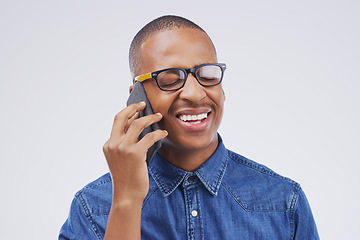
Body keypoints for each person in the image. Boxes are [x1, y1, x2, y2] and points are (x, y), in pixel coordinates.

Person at [59, 15, 319, 239]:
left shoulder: (284, 202)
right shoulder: (92, 209)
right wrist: (126, 201)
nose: (195, 94)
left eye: (207, 76)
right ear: (138, 97)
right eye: (170, 79)